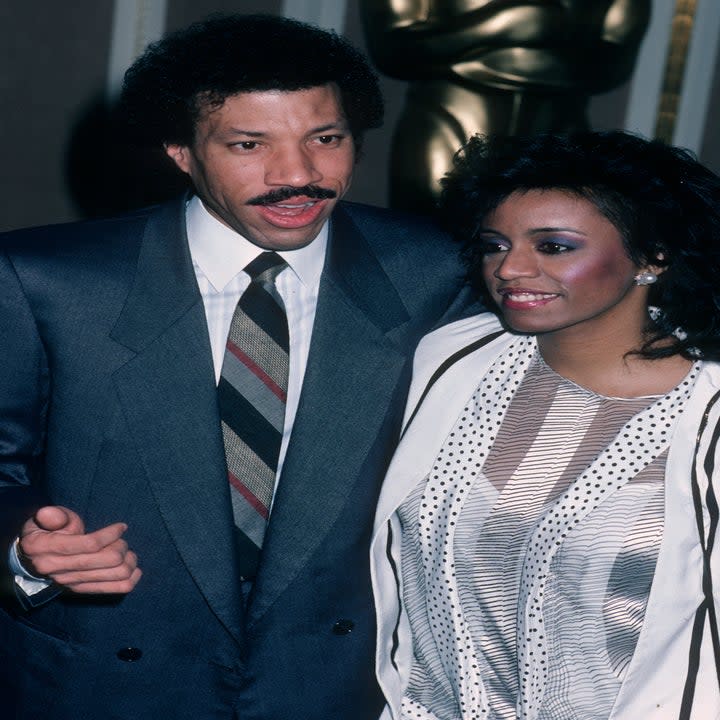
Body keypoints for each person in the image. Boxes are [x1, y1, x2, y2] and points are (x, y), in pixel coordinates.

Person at [0, 14, 475, 720]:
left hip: (332, 689)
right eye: (249, 145)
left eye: (327, 139)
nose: (297, 175)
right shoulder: (47, 281)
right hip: (99, 684)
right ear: (181, 150)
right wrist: (20, 547)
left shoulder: (438, 272)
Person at [371, 130, 720, 719]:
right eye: (493, 245)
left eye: (554, 246)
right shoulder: (451, 360)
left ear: (653, 255)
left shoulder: (708, 415)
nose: (509, 268)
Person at [360, 0, 650, 214]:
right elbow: (393, 50)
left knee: (547, 234)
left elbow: (613, 64)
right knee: (430, 235)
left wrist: (488, 49)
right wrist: (506, 23)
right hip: (446, 117)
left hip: (558, 128)